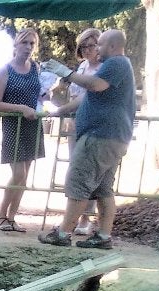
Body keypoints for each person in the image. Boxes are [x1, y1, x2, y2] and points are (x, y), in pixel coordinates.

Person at [39, 29, 135, 251]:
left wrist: (66, 73)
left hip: (99, 137)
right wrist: (60, 110)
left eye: (99, 45)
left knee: (79, 182)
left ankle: (63, 233)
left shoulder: (116, 64)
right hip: (111, 137)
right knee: (103, 189)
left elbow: (94, 85)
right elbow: (86, 98)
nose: (96, 50)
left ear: (111, 46)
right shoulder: (118, 66)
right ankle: (103, 236)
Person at [0, 28, 46, 233]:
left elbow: (37, 95)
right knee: (18, 173)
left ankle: (12, 217)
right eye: (25, 43)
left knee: (25, 175)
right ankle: (1, 215)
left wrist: (44, 98)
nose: (28, 47)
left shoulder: (36, 68)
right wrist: (21, 109)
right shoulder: (5, 70)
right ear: (16, 45)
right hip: (14, 124)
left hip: (33, 124)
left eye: (32, 44)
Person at [55, 28, 104, 238]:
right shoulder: (82, 67)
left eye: (90, 45)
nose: (86, 50)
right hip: (76, 125)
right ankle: (72, 217)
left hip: (93, 126)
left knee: (89, 173)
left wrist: (61, 111)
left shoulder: (103, 69)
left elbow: (86, 98)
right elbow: (72, 96)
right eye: (83, 46)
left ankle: (85, 219)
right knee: (75, 172)